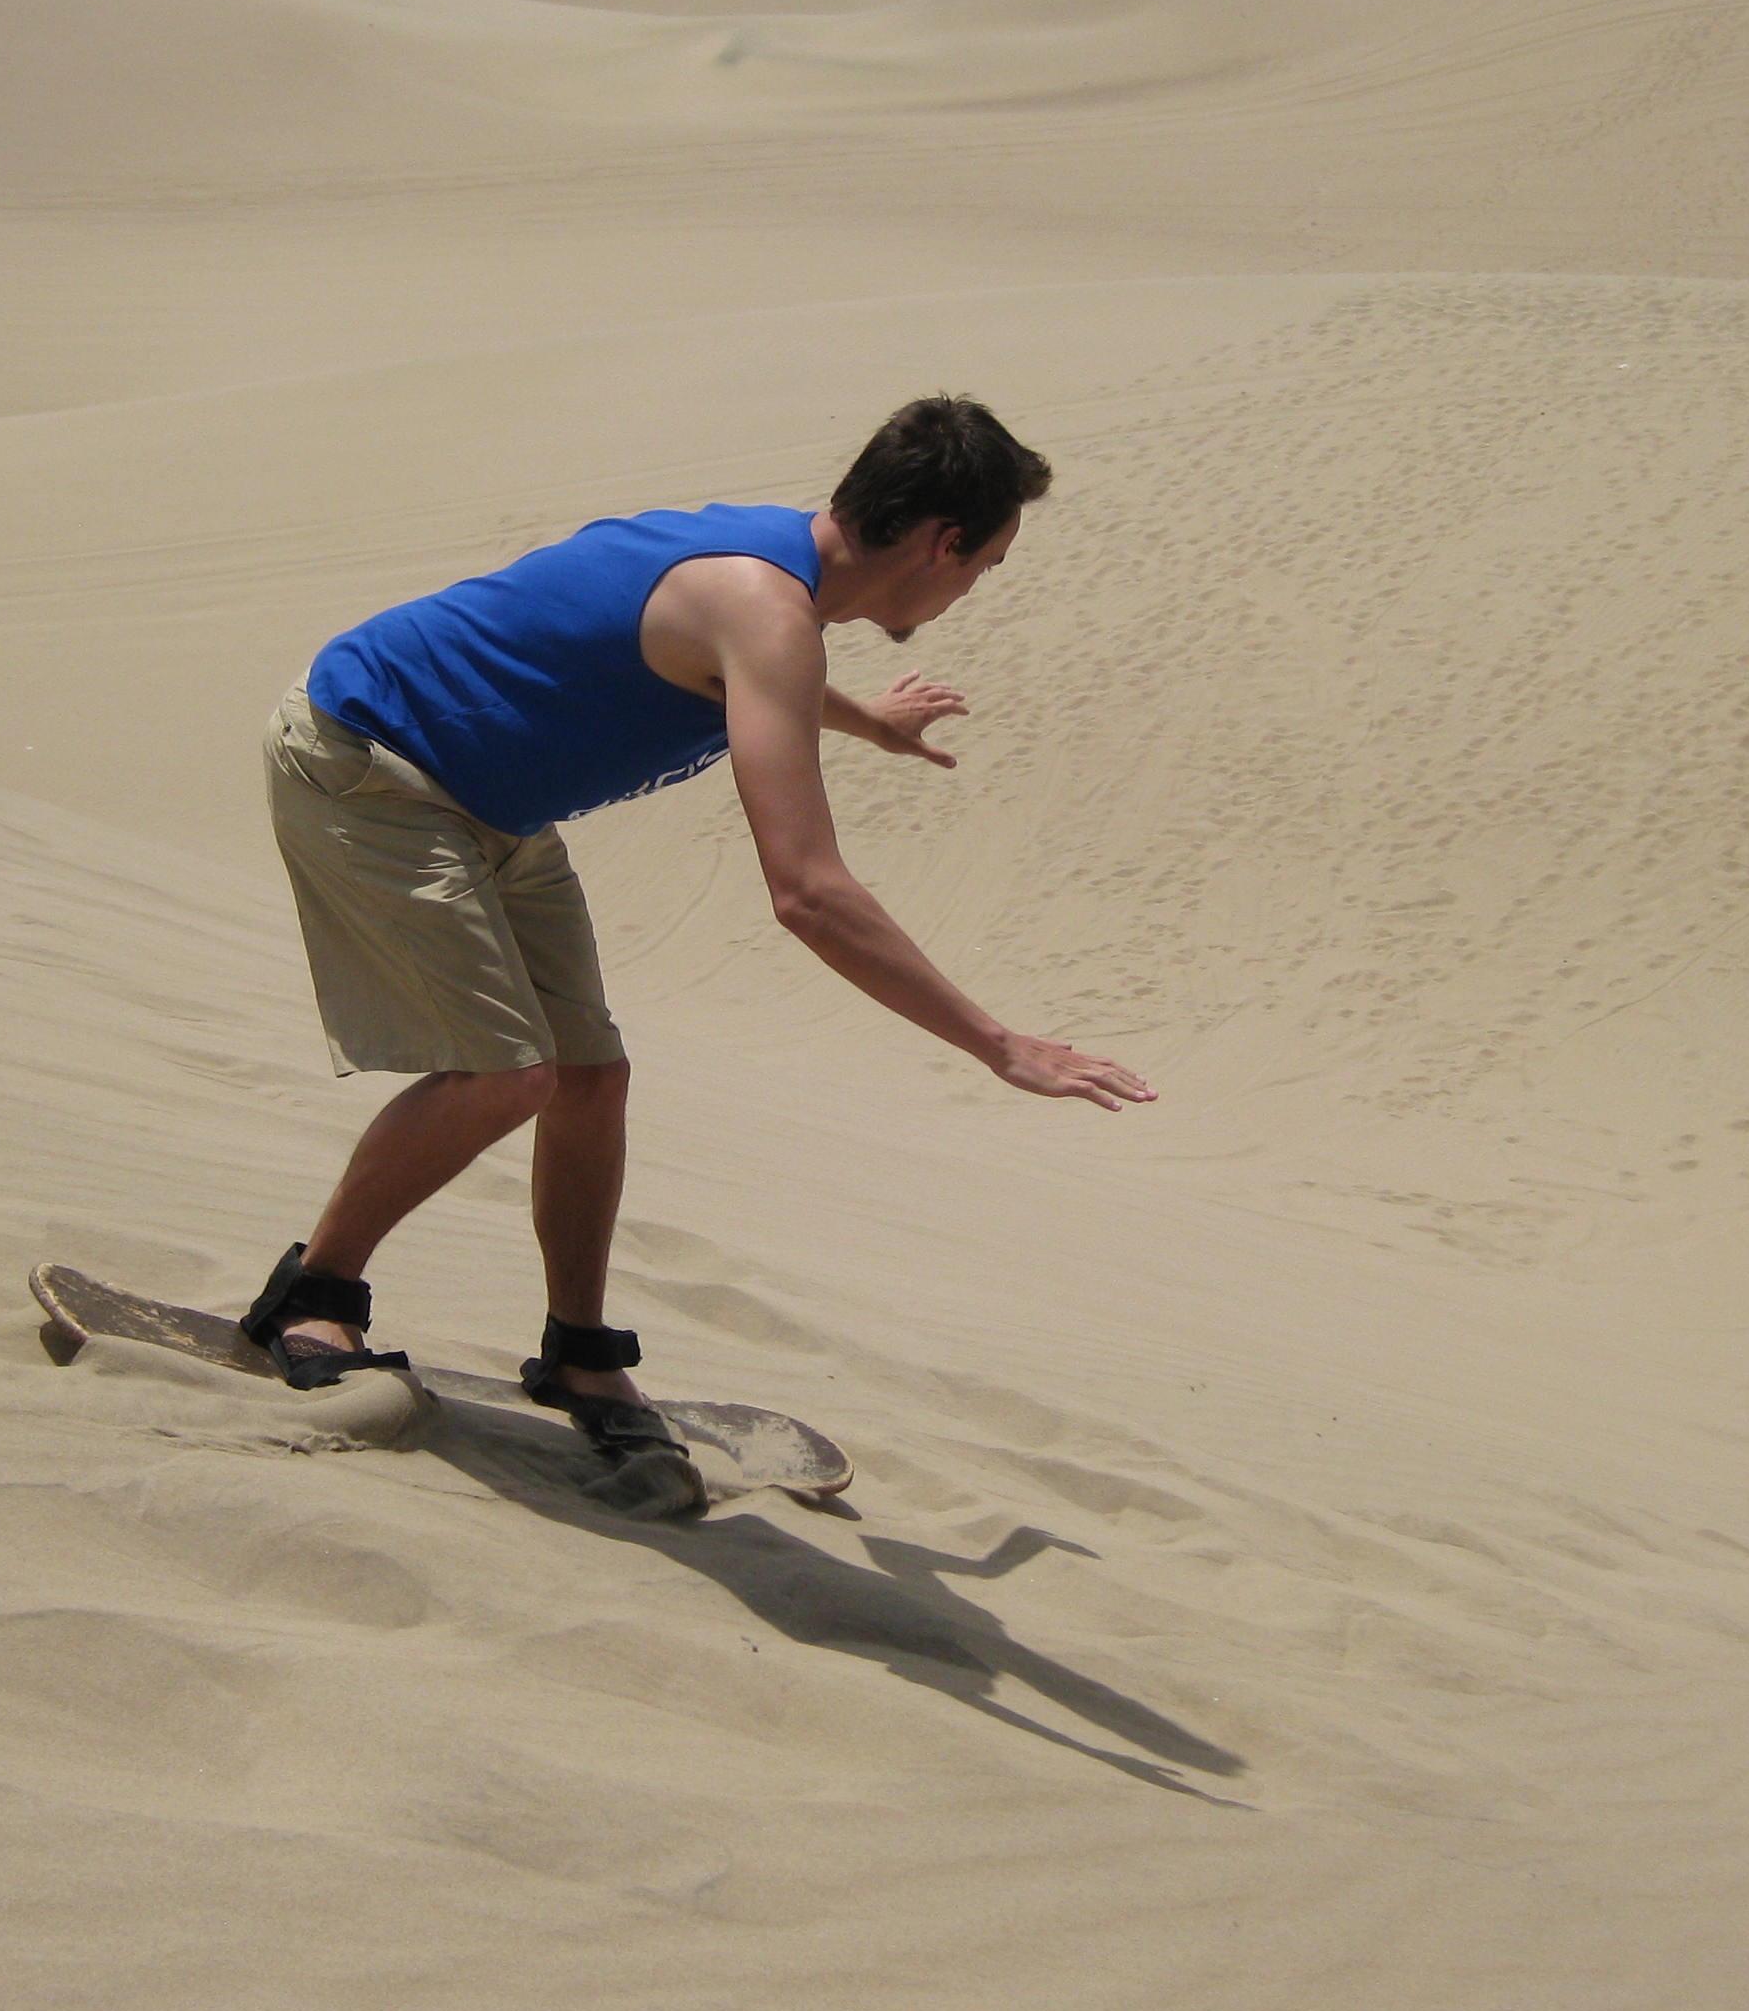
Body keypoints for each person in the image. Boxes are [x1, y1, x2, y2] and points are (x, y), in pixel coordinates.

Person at [243, 396, 1155, 1500]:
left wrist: (872, 723)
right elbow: (809, 893)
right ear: (941, 543)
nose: (974, 588)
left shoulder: (776, 577)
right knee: (507, 1073)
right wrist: (999, 1044)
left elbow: (761, 673)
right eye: (987, 564)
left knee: (591, 1073)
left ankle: (579, 1351)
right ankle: (315, 1294)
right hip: (370, 759)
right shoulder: (764, 609)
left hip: (490, 801)